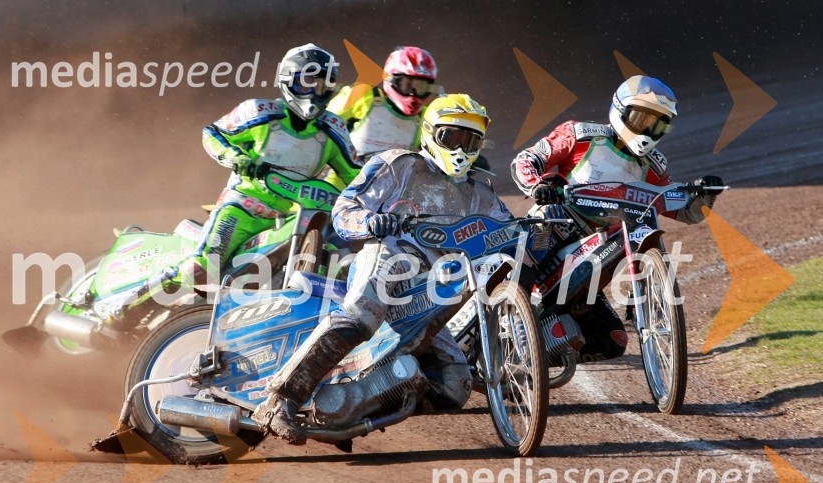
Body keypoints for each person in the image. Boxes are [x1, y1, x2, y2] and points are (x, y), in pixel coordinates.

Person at [253, 94, 512, 444]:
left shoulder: (480, 192)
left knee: (455, 385)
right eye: (452, 137)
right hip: (389, 258)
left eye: (470, 141)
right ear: (430, 133)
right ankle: (280, 401)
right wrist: (371, 222)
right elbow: (344, 209)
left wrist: (542, 230)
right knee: (361, 315)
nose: (461, 149)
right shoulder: (398, 164)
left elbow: (509, 230)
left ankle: (351, 408)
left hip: (432, 288)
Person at [108, 43, 360, 326]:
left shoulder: (333, 129)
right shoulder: (260, 111)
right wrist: (235, 157)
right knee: (202, 269)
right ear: (288, 79)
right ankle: (124, 311)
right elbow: (213, 133)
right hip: (243, 207)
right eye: (307, 81)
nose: (314, 91)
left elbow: (356, 173)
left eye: (322, 84)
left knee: (331, 255)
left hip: (292, 216)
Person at [511, 75, 724, 362]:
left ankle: (531, 359)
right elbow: (526, 160)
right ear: (620, 110)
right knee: (542, 225)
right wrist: (538, 186)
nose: (647, 129)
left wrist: (703, 196)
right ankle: (511, 317)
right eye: (641, 118)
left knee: (612, 341)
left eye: (658, 123)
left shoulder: (654, 165)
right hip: (559, 224)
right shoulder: (580, 134)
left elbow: (678, 208)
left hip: (603, 245)